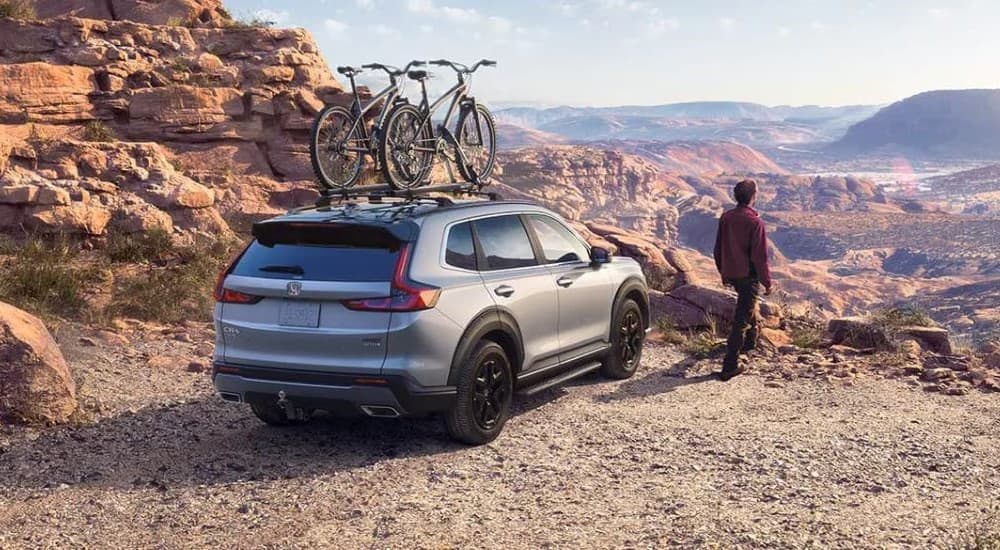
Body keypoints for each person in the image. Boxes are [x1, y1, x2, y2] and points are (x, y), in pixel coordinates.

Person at [713, 179, 773, 382]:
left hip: (731, 272)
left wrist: (723, 271)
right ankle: (730, 364)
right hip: (748, 275)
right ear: (753, 196)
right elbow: (760, 257)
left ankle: (750, 344)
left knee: (748, 306)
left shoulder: (726, 217)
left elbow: (718, 247)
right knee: (741, 318)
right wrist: (767, 281)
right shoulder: (755, 222)